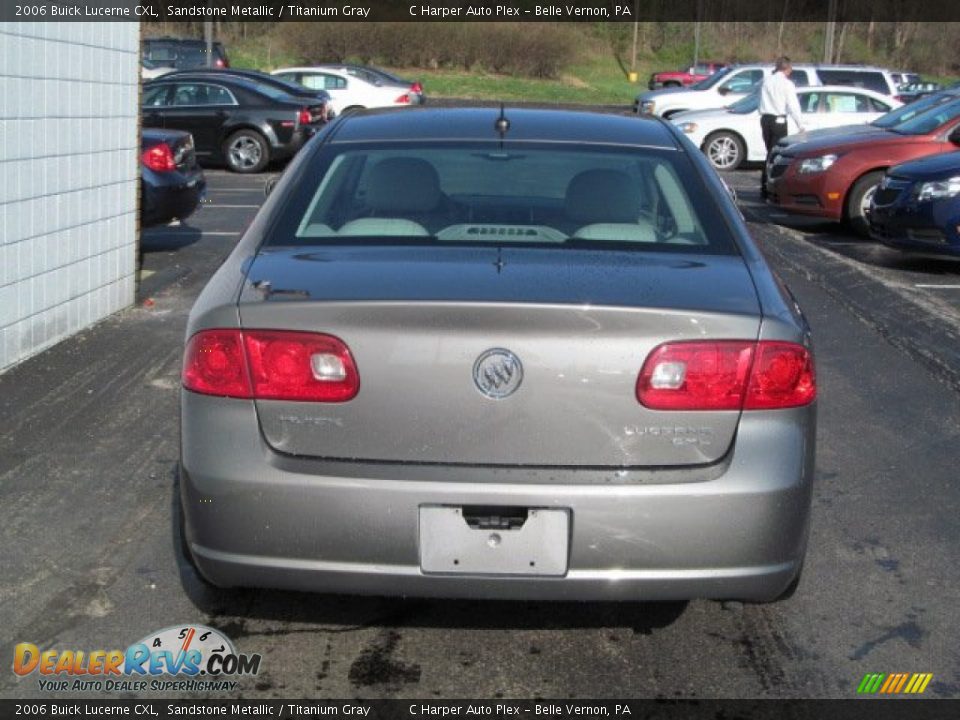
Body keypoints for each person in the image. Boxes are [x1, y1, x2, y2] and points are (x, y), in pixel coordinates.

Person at [759, 56, 806, 197]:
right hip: (778, 120)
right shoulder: (787, 84)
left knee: (769, 152)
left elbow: (760, 101)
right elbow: (793, 106)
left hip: (765, 119)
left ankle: (765, 184)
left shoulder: (766, 81)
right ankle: (770, 185)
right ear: (788, 69)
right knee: (776, 155)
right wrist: (800, 124)